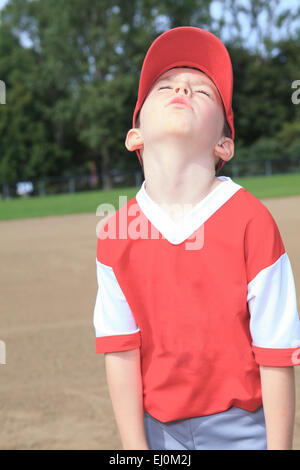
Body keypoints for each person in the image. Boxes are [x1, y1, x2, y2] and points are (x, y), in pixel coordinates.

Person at [93, 26, 300, 450]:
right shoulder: (116, 231)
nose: (182, 88)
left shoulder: (251, 220)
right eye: (165, 86)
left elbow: (277, 352)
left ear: (224, 144)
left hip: (241, 429)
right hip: (157, 430)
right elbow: (120, 351)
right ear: (136, 135)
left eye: (203, 92)